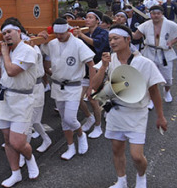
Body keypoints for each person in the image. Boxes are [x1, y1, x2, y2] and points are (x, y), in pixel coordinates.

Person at [90, 24, 168, 188]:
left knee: (137, 156)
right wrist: (103, 67)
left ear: (127, 39)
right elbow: (94, 86)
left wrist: (160, 116)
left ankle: (141, 177)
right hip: (115, 112)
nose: (112, 42)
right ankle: (122, 180)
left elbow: (154, 91)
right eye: (110, 39)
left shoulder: (144, 63)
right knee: (117, 149)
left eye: (116, 38)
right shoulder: (108, 60)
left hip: (137, 113)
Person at [0, 18, 39, 186]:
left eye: (9, 32)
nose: (6, 36)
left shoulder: (27, 50)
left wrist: (4, 54)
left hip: (22, 99)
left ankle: (30, 158)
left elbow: (12, 71)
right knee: (7, 139)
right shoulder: (7, 52)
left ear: (19, 32)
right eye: (3, 33)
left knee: (18, 141)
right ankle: (15, 173)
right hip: (5, 98)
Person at [38, 18, 95, 160]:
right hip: (57, 86)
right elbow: (42, 48)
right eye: (56, 34)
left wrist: (91, 87)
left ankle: (81, 135)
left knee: (70, 118)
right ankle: (70, 147)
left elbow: (91, 64)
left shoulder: (78, 44)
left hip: (74, 86)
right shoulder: (52, 43)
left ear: (67, 30)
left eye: (61, 34)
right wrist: (42, 37)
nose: (59, 36)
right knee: (64, 119)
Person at [73, 10, 110, 139]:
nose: (87, 20)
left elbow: (96, 44)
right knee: (77, 99)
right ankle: (90, 118)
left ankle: (98, 126)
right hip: (86, 69)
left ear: (97, 20)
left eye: (90, 17)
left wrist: (81, 35)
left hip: (100, 69)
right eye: (86, 17)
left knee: (93, 99)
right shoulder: (86, 33)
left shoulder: (104, 33)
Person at [133, 5, 177, 104]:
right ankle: (151, 98)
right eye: (153, 13)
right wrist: (124, 29)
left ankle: (167, 92)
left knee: (168, 77)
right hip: (150, 52)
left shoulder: (170, 24)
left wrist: (171, 42)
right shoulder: (146, 25)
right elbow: (136, 36)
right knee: (149, 77)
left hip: (165, 54)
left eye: (158, 13)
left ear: (162, 14)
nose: (156, 16)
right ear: (150, 14)